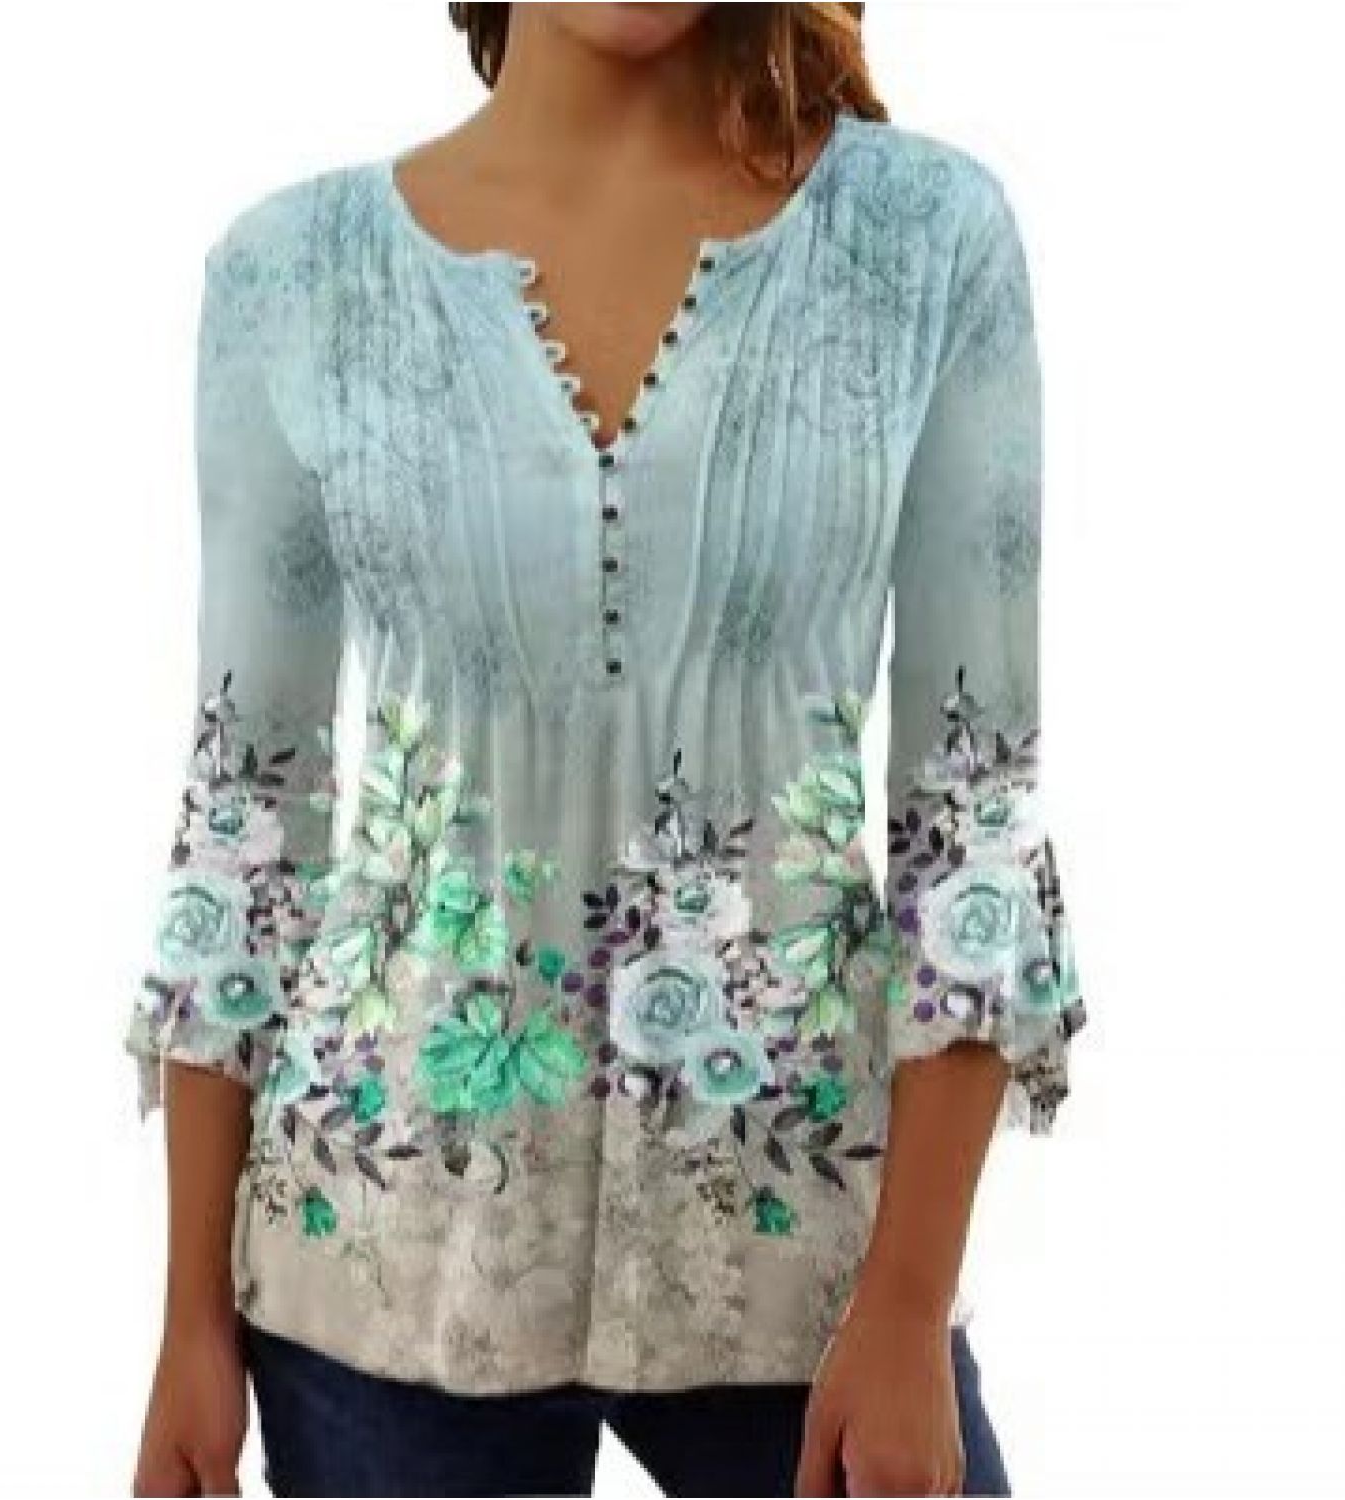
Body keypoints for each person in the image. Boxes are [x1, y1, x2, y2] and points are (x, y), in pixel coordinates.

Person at [129, 4, 1086, 1495]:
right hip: (372, 1266)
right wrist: (189, 1314)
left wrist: (907, 1304)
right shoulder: (293, 279)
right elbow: (248, 814)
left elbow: (969, 811)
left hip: (809, 1266)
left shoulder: (922, 245)